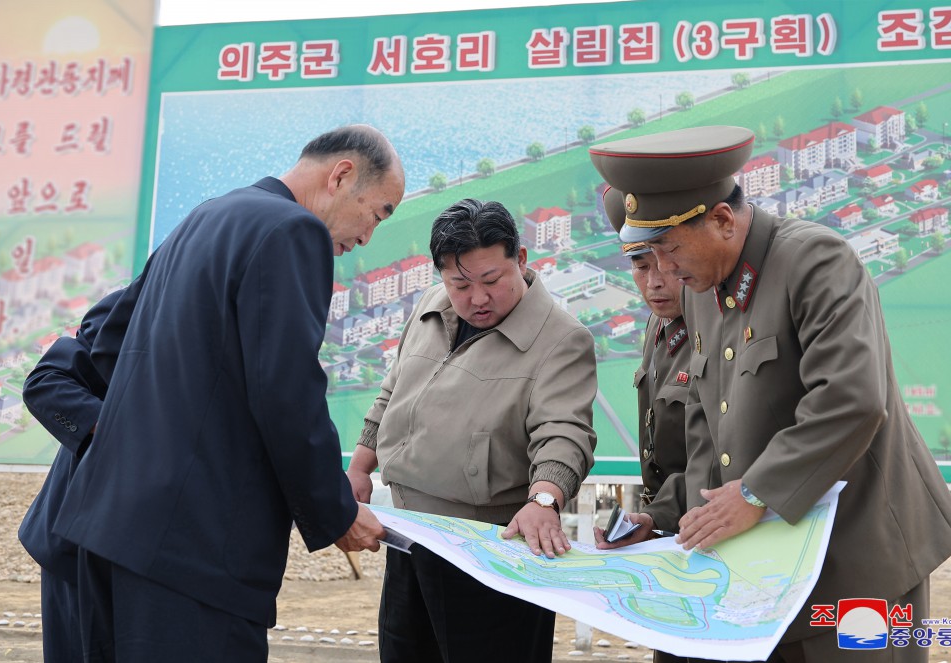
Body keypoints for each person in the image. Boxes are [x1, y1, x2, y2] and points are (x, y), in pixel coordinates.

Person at [590, 125, 951, 662]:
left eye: (670, 250)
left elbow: (852, 398)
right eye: (649, 255)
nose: (665, 273)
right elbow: (708, 433)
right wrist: (664, 515)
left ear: (721, 221)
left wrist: (753, 493)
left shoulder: (816, 262)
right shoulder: (702, 291)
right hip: (768, 576)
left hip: (857, 563)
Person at [53, 124, 405, 662]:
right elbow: (286, 391)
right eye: (379, 213)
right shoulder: (293, 231)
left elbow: (105, 342)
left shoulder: (206, 216)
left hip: (110, 534)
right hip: (193, 553)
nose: (367, 237)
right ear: (341, 175)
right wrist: (335, 511)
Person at [346, 198, 598, 663]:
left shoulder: (561, 339)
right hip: (411, 535)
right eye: (460, 284)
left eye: (492, 280)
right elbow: (391, 392)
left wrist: (544, 500)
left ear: (521, 261)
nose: (477, 299)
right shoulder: (430, 307)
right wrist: (360, 467)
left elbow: (564, 433)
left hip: (492, 549)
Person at [593, 189, 690, 663]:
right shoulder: (659, 326)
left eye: (668, 261)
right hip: (666, 541)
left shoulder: (719, 327)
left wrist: (657, 517)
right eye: (640, 265)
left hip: (714, 533)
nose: (656, 282)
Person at [18, 289, 124, 662]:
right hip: (77, 546)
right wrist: (125, 432)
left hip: (151, 554)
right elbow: (48, 384)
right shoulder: (143, 297)